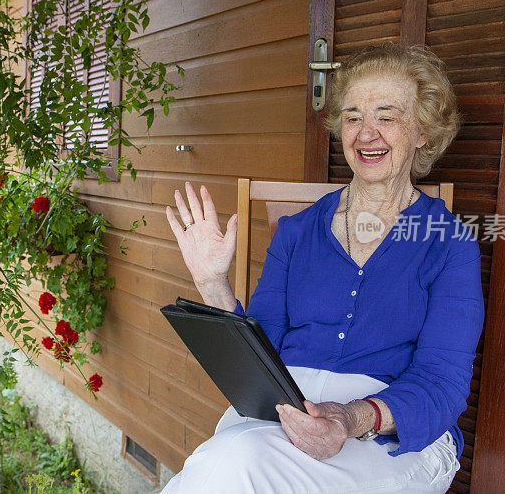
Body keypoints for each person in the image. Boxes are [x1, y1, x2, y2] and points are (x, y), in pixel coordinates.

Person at [161, 42, 484, 493]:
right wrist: (213, 285)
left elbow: (443, 382)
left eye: (386, 117)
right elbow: (262, 351)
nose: (366, 133)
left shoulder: (450, 244)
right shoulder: (296, 232)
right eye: (353, 117)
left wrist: (351, 418)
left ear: (423, 131)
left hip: (390, 436)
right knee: (234, 463)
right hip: (282, 414)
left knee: (231, 467)